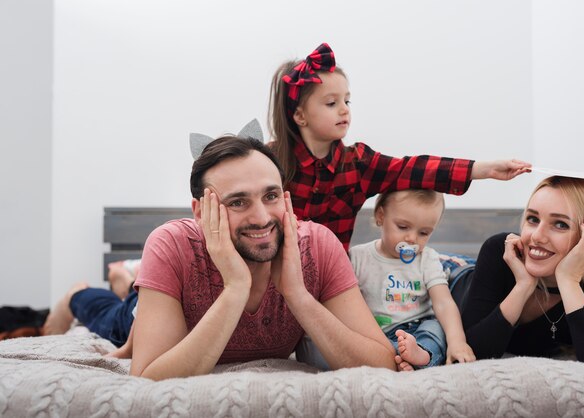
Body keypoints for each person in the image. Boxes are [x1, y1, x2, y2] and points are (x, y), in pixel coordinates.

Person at [129, 135, 396, 380]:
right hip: (150, 307)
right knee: (112, 316)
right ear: (200, 212)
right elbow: (147, 379)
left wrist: (298, 296)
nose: (261, 218)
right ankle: (114, 282)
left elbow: (383, 364)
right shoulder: (172, 245)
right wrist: (235, 288)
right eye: (237, 202)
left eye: (271, 196)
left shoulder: (318, 246)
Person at [267, 42, 532, 251]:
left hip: (331, 277)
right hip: (277, 275)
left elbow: (412, 168)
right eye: (331, 103)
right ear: (300, 115)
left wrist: (482, 169)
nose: (344, 110)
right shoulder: (269, 162)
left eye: (347, 101)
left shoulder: (359, 163)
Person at [461, 176, 584, 363]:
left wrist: (568, 280)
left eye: (560, 224)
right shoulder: (501, 251)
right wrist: (523, 286)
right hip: (456, 277)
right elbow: (470, 352)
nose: (537, 236)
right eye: (532, 219)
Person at [350, 189, 476, 371]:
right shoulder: (358, 257)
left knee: (436, 328)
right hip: (378, 333)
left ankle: (422, 356)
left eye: (423, 233)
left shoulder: (427, 259)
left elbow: (443, 303)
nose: (411, 239)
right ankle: (397, 357)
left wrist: (457, 341)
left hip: (419, 327)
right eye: (402, 227)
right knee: (362, 341)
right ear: (380, 216)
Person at [42, 260, 138, 356]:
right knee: (78, 293)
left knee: (115, 308)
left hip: (138, 304)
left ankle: (131, 285)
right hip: (137, 307)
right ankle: (77, 293)